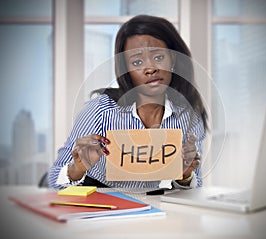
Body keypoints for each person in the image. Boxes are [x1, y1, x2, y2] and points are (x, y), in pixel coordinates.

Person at [48, 15, 208, 190]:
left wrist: (185, 176)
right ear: (126, 70)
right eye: (137, 62)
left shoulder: (189, 116)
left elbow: (194, 186)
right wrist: (76, 169)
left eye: (159, 57)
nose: (150, 68)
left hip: (155, 207)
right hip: (101, 207)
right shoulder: (100, 111)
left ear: (173, 60)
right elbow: (54, 179)